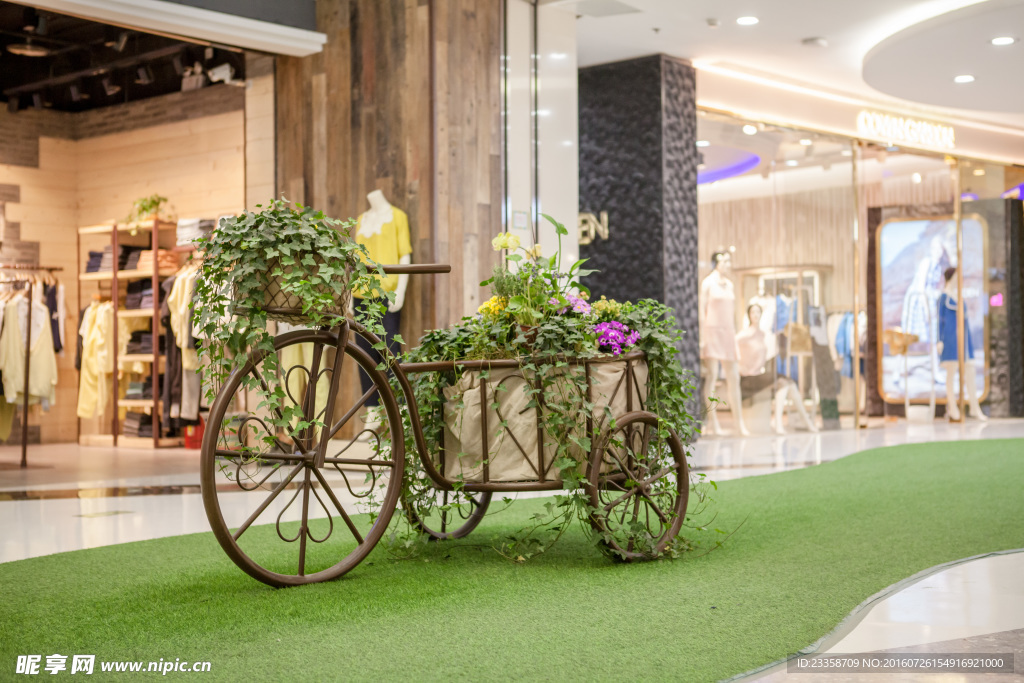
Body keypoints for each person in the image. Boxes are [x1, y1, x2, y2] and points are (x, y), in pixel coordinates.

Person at [936, 266, 986, 421]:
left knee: (969, 371)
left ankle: (974, 407)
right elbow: (940, 321)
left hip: (964, 340)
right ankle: (952, 407)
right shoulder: (944, 298)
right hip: (950, 340)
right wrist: (940, 340)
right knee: (951, 375)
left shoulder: (959, 297)